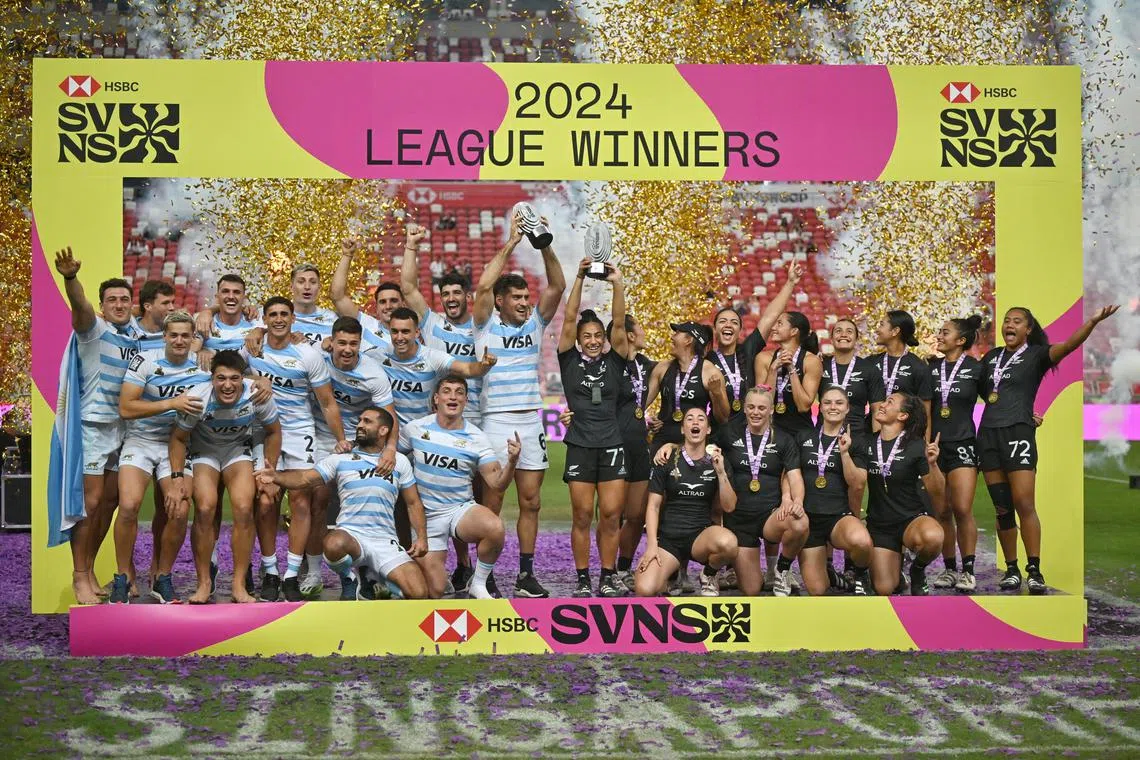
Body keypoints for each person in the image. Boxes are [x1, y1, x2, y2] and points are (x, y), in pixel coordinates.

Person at [979, 304, 1119, 594]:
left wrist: (1093, 321)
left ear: (1028, 329)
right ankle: (1012, 569)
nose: (1010, 325)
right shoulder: (991, 358)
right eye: (1007, 320)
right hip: (989, 434)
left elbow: (1069, 345)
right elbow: (987, 390)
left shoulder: (1037, 355)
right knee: (1002, 507)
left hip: (1018, 433)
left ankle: (1034, 570)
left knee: (1024, 502)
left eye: (1017, 321)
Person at [472, 211, 567, 599]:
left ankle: (526, 575)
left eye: (527, 297)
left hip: (530, 421)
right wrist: (512, 242)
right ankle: (486, 574)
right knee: (491, 500)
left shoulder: (534, 327)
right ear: (500, 301)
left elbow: (558, 285)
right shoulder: (484, 326)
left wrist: (542, 244)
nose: (526, 303)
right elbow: (480, 289)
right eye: (517, 298)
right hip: (494, 422)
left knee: (531, 501)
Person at [258, 407, 431, 600]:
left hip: (385, 541)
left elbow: (413, 503)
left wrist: (422, 538)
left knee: (419, 593)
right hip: (351, 535)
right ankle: (350, 578)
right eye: (359, 420)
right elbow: (304, 479)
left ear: (383, 430)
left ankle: (375, 580)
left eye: (367, 422)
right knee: (333, 544)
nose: (359, 425)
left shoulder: (398, 462)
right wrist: (277, 477)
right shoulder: (340, 458)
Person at [245, 297, 351, 602]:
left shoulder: (307, 354)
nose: (279, 319)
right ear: (264, 320)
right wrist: (254, 375)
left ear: (293, 319)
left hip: (299, 432)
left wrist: (340, 438)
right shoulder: (251, 348)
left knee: (301, 502)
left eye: (284, 314)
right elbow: (224, 371)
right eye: (273, 315)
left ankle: (291, 573)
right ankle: (270, 571)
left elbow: (327, 402)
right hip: (261, 432)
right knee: (266, 501)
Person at [399, 222, 486, 590]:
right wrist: (412, 246)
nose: (451, 298)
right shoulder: (431, 322)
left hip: (478, 420)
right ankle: (454, 564)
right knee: (437, 495)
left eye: (456, 292)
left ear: (467, 296)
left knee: (477, 500)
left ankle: (477, 569)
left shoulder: (483, 325)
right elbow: (406, 288)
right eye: (445, 292)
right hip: (440, 423)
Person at [54, 247, 141, 604]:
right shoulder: (95, 329)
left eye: (124, 299)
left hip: (122, 431)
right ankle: (79, 576)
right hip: (92, 427)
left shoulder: (135, 335)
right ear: (103, 305)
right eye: (112, 300)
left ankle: (89, 568)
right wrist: (71, 279)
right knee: (89, 503)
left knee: (109, 504)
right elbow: (81, 308)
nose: (119, 305)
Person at [168, 351, 282, 603]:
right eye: (221, 378)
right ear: (212, 379)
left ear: (243, 378)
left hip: (236, 451)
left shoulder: (257, 394)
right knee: (206, 508)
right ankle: (204, 582)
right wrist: (177, 477)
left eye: (234, 378)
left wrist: (268, 472)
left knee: (243, 507)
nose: (227, 385)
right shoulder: (198, 398)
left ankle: (239, 585)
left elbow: (274, 431)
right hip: (204, 452)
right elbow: (177, 437)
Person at [112, 311, 209, 604]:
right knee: (128, 505)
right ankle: (122, 578)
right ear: (164, 336)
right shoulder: (145, 361)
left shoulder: (203, 367)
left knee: (180, 509)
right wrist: (171, 403)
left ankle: (162, 577)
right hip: (141, 441)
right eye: (174, 335)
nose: (179, 341)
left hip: (177, 446)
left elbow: (237, 376)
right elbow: (126, 408)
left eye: (185, 335)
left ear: (193, 338)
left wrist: (261, 382)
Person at [399, 375, 520, 599]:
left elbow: (497, 484)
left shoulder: (477, 437)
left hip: (459, 510)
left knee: (494, 527)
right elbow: (392, 455)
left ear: (465, 400)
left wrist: (512, 463)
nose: (453, 396)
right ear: (436, 398)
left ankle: (479, 584)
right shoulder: (415, 429)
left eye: (459, 392)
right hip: (426, 518)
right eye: (447, 391)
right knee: (433, 591)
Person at [304, 317, 399, 599]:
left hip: (361, 439)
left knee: (367, 502)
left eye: (353, 344)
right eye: (341, 342)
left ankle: (368, 573)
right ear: (331, 341)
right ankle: (313, 570)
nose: (347, 349)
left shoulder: (374, 373)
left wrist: (390, 449)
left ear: (361, 345)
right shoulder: (316, 356)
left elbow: (389, 417)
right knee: (319, 500)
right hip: (322, 436)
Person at [557, 259, 629, 598]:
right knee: (583, 515)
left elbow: (618, 325)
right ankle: (584, 578)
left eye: (597, 336)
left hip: (612, 444)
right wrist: (579, 277)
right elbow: (569, 318)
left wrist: (617, 284)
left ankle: (607, 575)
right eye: (587, 336)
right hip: (581, 445)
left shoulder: (615, 360)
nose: (592, 340)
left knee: (612, 516)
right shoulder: (568, 361)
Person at [643, 321, 729, 593]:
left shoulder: (709, 371)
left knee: (702, 504)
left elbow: (723, 416)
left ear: (689, 340)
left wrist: (716, 393)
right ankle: (673, 569)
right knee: (664, 501)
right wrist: (647, 419)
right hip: (663, 445)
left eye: (677, 333)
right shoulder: (662, 369)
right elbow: (640, 405)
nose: (672, 337)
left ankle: (704, 570)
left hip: (694, 442)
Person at [634, 408, 738, 596]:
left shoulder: (717, 461)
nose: (695, 423)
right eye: (689, 419)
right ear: (683, 429)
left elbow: (729, 506)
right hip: (669, 540)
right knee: (645, 589)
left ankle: (708, 573)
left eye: (701, 419)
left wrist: (721, 473)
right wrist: (651, 547)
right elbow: (653, 506)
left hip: (699, 538)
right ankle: (672, 573)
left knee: (729, 544)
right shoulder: (666, 458)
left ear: (707, 429)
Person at [926, 316, 985, 593]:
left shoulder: (976, 369)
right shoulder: (930, 368)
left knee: (962, 508)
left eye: (944, 332)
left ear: (960, 341)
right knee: (942, 511)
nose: (939, 335)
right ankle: (949, 569)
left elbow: (998, 399)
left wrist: (1026, 413)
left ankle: (968, 570)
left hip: (963, 443)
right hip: (935, 448)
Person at [865, 392, 945, 596]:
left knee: (933, 537)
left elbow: (937, 490)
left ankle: (917, 570)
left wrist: (933, 465)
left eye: (889, 402)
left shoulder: (917, 446)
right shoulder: (866, 443)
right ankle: (896, 570)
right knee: (884, 588)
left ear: (902, 416)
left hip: (910, 520)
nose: (882, 405)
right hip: (880, 526)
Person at [797, 387, 873, 596]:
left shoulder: (857, 442)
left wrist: (845, 453)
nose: (833, 407)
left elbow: (857, 483)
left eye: (839, 403)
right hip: (808, 519)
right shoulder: (803, 437)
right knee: (818, 590)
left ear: (847, 409)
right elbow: (790, 474)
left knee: (862, 541)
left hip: (838, 516)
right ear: (819, 407)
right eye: (828, 402)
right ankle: (832, 576)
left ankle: (861, 572)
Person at [708, 262, 802, 424]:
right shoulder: (706, 360)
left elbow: (769, 317)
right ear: (715, 329)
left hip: (749, 431)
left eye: (734, 322)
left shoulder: (747, 350)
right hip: (717, 433)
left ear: (739, 331)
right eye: (722, 321)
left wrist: (790, 283)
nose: (728, 325)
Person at [376, 307, 496, 427]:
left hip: (423, 431)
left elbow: (468, 369)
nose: (399, 337)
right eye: (395, 331)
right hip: (390, 432)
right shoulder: (378, 356)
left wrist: (484, 366)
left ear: (417, 332)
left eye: (405, 331)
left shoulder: (432, 357)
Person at [611, 314, 658, 593]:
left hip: (640, 446)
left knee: (637, 514)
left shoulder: (647, 366)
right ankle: (608, 572)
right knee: (612, 514)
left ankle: (623, 568)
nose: (643, 331)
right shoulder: (611, 365)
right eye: (639, 327)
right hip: (615, 445)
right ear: (628, 334)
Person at [754, 311, 822, 438]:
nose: (773, 328)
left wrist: (791, 369)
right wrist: (773, 370)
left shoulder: (811, 361)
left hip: (801, 434)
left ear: (793, 331)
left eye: (779, 324)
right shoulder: (763, 358)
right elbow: (761, 402)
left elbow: (803, 406)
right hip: (770, 432)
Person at [331, 240, 404, 354]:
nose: (388, 306)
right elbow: (337, 296)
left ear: (403, 304)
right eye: (383, 302)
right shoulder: (365, 324)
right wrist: (347, 255)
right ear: (377, 307)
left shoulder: (410, 336)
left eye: (393, 301)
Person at [873, 310, 933, 438]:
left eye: (882, 325)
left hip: (906, 437)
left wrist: (925, 448)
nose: (877, 330)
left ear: (895, 331)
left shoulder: (918, 367)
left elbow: (925, 414)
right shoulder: (872, 362)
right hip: (875, 434)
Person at [192, 274, 261, 370]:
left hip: (246, 380)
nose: (231, 296)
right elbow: (187, 352)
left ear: (244, 298)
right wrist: (199, 352)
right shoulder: (204, 322)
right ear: (217, 296)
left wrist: (260, 331)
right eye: (225, 291)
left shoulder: (256, 321)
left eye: (236, 292)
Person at [287, 263, 339, 346]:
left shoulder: (331, 319)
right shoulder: (276, 316)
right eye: (301, 282)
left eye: (313, 282)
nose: (307, 287)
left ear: (319, 288)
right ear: (291, 287)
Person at [132, 280, 176, 351]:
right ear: (148, 307)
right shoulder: (129, 330)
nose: (172, 308)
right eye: (165, 303)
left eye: (172, 302)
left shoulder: (177, 333)